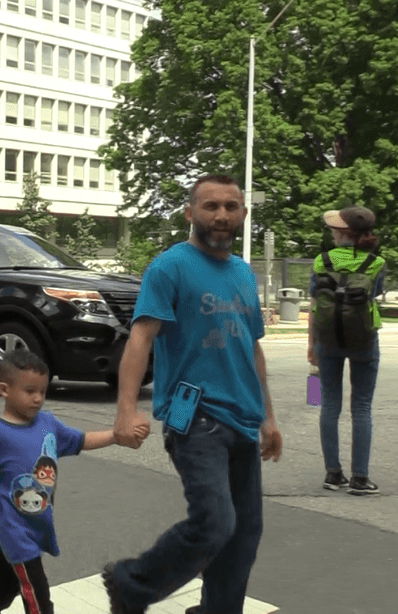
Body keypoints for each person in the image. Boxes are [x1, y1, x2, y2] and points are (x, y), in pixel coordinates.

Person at [103, 174, 284, 614]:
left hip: (243, 417)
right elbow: (141, 339)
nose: (221, 214)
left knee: (243, 536)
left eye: (230, 206)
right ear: (190, 213)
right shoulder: (170, 266)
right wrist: (125, 411)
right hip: (195, 416)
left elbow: (251, 348)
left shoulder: (242, 271)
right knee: (215, 522)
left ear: (242, 214)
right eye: (210, 206)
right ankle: (132, 583)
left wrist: (269, 417)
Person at [0, 349, 134, 614]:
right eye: (29, 391)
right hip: (17, 533)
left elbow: (81, 441)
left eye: (42, 392)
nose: (37, 399)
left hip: (36, 526)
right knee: (38, 599)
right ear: (4, 389)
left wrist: (116, 436)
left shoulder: (47, 423)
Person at [310, 205, 385, 495]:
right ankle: (360, 478)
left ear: (343, 232)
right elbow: (374, 294)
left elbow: (316, 304)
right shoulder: (377, 263)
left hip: (327, 340)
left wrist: (311, 345)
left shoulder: (322, 260)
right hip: (364, 339)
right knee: (361, 407)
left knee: (329, 404)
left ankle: (333, 474)